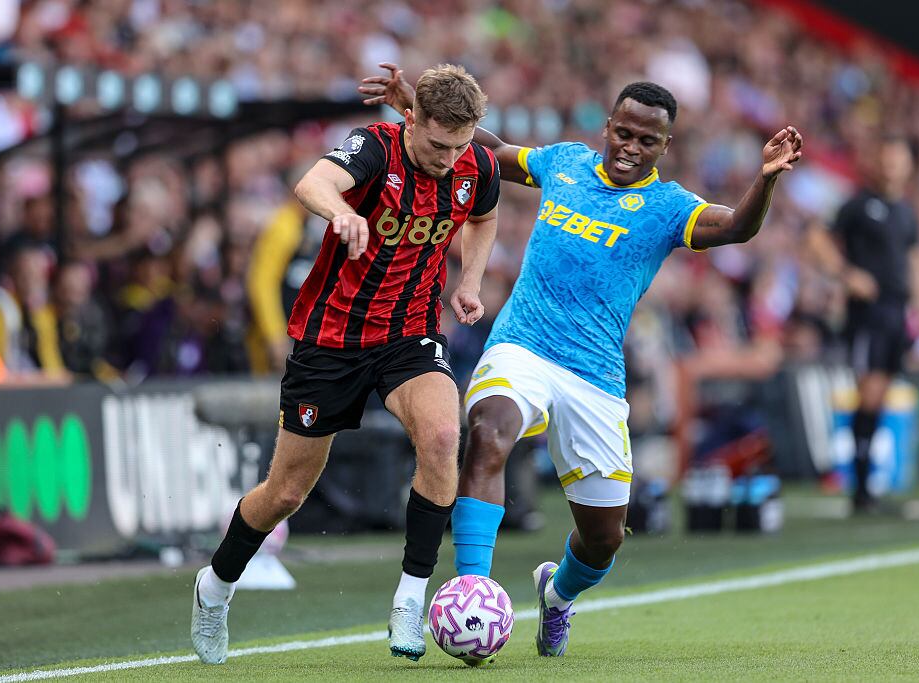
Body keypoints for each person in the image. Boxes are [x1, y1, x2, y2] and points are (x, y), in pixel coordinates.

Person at [361, 63, 802, 656]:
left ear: (664, 146)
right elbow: (486, 148)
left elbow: (735, 228)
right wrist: (414, 105)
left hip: (594, 376)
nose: (631, 146)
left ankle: (557, 595)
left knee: (603, 540)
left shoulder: (670, 207)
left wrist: (766, 180)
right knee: (488, 432)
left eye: (647, 140)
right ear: (609, 127)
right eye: (624, 131)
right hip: (523, 346)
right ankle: (472, 588)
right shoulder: (564, 163)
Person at [191, 64, 500, 665]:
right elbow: (312, 182)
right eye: (438, 145)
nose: (448, 159)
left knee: (442, 434)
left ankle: (411, 597)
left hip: (409, 334)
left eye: (460, 146)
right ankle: (215, 587)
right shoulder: (374, 147)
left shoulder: (474, 166)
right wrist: (342, 210)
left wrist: (471, 279)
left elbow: (485, 217)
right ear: (410, 120)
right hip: (330, 338)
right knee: (285, 493)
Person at [807, 135, 919, 513]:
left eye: (898, 160)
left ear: (908, 166)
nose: (892, 167)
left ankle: (864, 484)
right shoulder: (858, 205)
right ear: (877, 163)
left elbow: (915, 257)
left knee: (883, 390)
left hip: (896, 312)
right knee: (870, 391)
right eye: (887, 159)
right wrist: (846, 274)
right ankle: (861, 485)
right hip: (868, 313)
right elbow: (817, 237)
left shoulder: (906, 211)